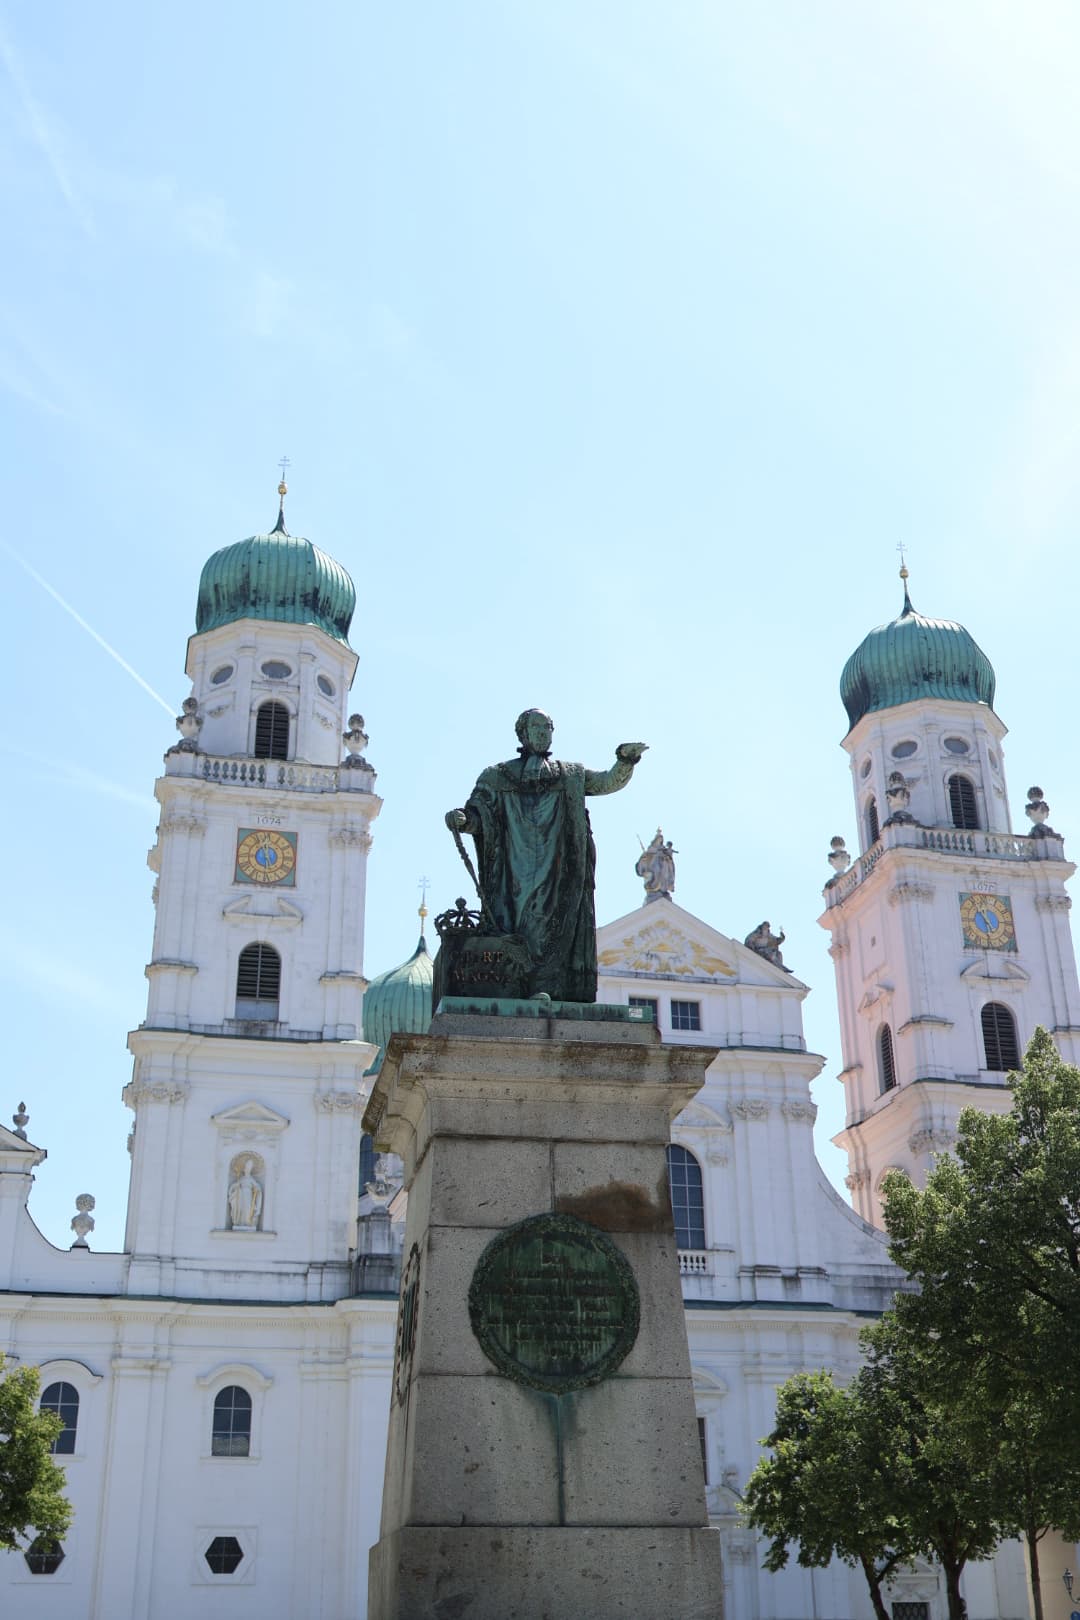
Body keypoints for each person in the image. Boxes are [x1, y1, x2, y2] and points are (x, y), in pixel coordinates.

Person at [446, 709, 646, 1002]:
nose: (542, 732)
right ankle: (516, 983)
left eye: (547, 727)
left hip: (559, 865)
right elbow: (479, 815)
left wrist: (626, 760)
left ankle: (545, 986)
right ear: (522, 734)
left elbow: (606, 782)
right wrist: (463, 819)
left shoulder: (571, 775)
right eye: (536, 727)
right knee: (516, 921)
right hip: (513, 866)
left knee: (552, 920)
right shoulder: (496, 775)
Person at [635, 828, 676, 898]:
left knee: (664, 874)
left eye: (661, 840)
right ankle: (655, 887)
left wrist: (667, 857)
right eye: (658, 839)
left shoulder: (663, 848)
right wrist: (645, 857)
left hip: (663, 865)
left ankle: (663, 890)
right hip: (654, 864)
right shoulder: (652, 848)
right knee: (656, 872)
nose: (659, 841)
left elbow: (669, 856)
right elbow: (646, 857)